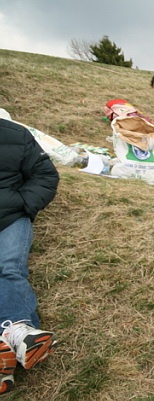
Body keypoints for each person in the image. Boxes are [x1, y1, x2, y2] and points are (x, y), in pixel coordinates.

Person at [0, 116, 59, 394]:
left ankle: (19, 332)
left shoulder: (15, 135)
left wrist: (23, 204)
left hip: (10, 217)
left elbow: (45, 175)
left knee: (9, 267)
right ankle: (13, 344)